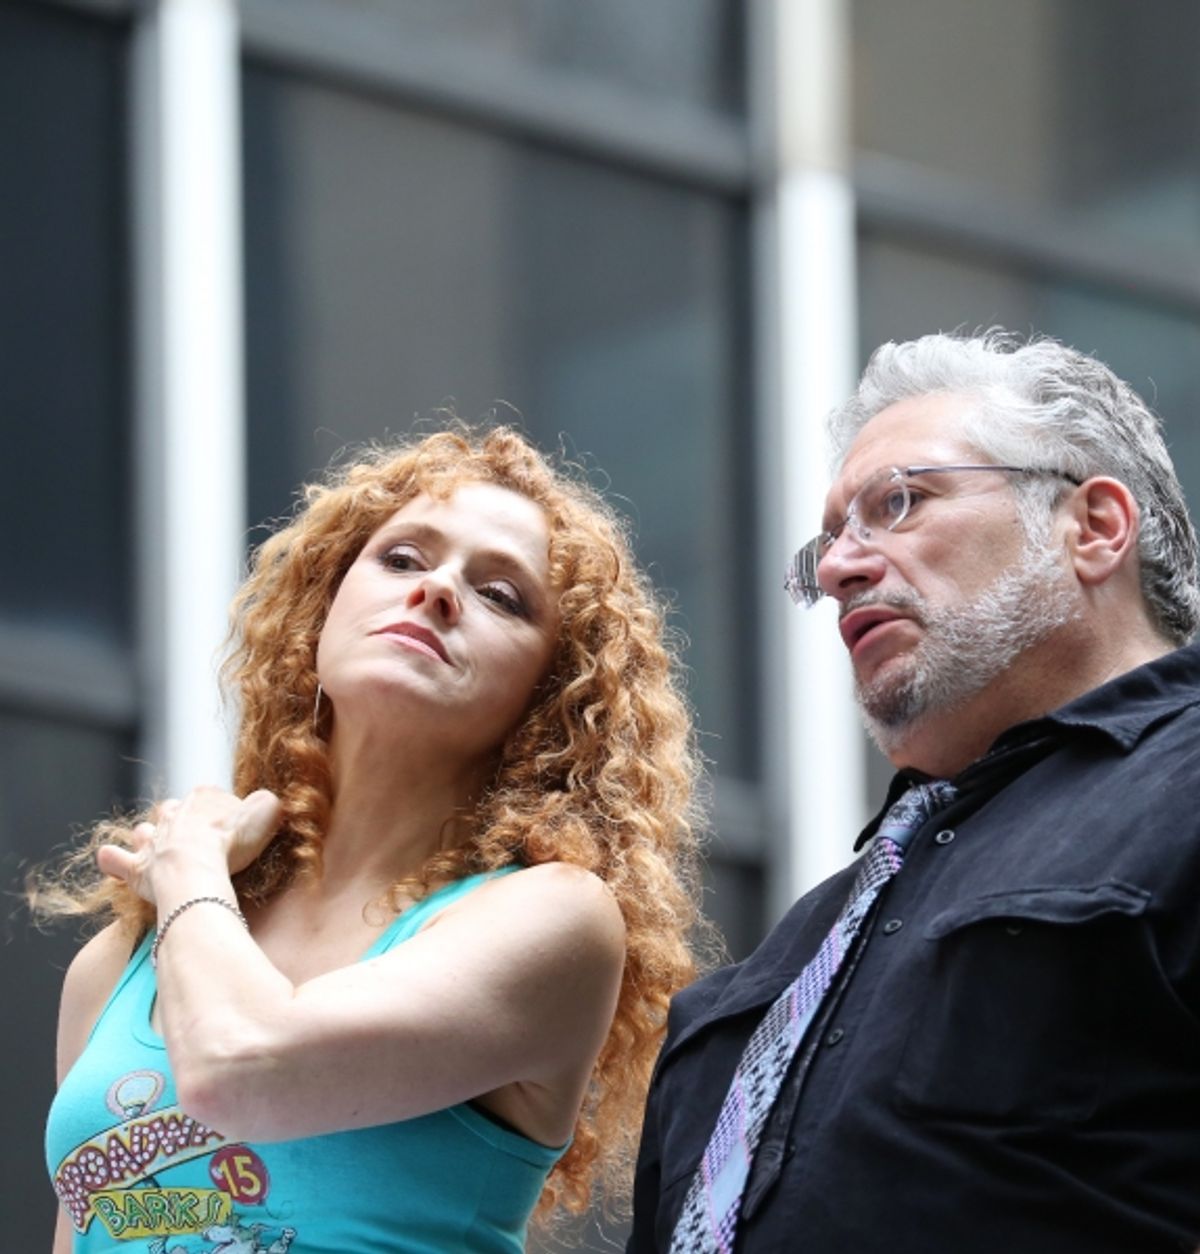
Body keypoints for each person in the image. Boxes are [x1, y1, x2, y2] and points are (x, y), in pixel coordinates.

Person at [33, 424, 706, 1253]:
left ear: (551, 696)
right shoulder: (116, 964)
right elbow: (127, 1226)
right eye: (401, 559)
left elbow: (242, 1071)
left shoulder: (557, 920)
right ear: (322, 607)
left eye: (500, 594)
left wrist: (191, 866)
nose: (437, 591)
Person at [627, 330, 1200, 1254]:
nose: (839, 569)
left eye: (899, 503)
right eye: (831, 539)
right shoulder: (779, 966)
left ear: (1093, 528)